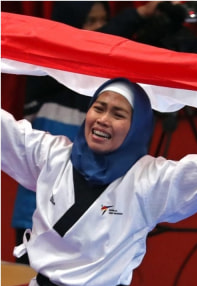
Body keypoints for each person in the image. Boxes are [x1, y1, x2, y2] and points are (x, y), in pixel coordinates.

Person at [1, 77, 197, 286]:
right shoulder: (52, 156)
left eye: (118, 114)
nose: (103, 119)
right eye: (98, 108)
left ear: (137, 126)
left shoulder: (149, 181)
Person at [11, 1, 161, 264]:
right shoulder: (50, 67)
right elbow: (88, 46)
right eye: (90, 21)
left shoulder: (117, 85)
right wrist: (139, 14)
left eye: (103, 19)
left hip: (97, 218)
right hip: (37, 213)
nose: (99, 28)